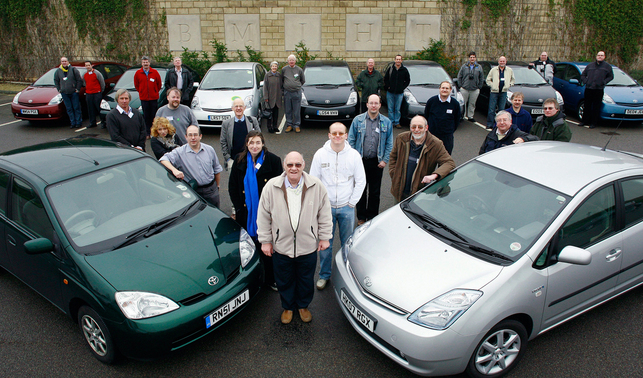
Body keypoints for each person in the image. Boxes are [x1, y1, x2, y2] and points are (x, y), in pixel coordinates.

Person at [257, 151, 332, 324]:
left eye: (297, 165)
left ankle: (303, 306)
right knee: (284, 279)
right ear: (284, 165)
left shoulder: (316, 185)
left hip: (308, 245)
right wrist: (266, 241)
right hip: (281, 246)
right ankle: (288, 307)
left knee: (306, 279)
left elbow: (325, 213)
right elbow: (263, 215)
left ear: (303, 165)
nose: (294, 168)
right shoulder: (271, 187)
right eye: (290, 164)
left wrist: (325, 237)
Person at [310, 122, 366, 291]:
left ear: (346, 135)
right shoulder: (320, 155)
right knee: (325, 244)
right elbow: (314, 180)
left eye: (341, 133)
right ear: (329, 135)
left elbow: (361, 181)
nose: (337, 136)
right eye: (334, 133)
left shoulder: (354, 155)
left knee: (347, 243)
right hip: (326, 209)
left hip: (346, 208)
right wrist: (320, 205)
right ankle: (324, 275)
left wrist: (352, 202)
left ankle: (346, 275)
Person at [229, 131, 283, 291]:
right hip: (246, 214)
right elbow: (233, 187)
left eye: (258, 142)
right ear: (247, 144)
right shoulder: (239, 161)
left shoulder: (273, 161)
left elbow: (279, 188)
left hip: (266, 214)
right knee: (249, 246)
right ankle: (252, 278)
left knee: (267, 247)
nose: (254, 146)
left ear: (263, 144)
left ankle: (271, 278)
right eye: (251, 142)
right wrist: (238, 207)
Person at [348, 94, 394, 225]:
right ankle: (361, 217)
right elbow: (351, 140)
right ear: (367, 104)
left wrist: (385, 160)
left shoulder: (386, 122)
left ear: (380, 105)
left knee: (375, 192)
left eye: (376, 103)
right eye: (371, 103)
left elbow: (389, 143)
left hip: (377, 162)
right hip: (360, 161)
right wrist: (353, 159)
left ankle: (372, 217)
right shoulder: (358, 120)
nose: (373, 105)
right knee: (360, 190)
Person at [389, 115, 455, 202]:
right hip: (399, 191)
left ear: (426, 128)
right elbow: (393, 157)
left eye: (420, 127)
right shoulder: (401, 138)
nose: (416, 130)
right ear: (410, 127)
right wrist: (394, 174)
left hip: (419, 194)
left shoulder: (435, 144)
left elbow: (449, 163)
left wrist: (434, 176)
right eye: (413, 127)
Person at [160, 125, 223, 207]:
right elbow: (163, 159)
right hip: (194, 192)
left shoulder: (209, 149)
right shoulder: (180, 152)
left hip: (211, 190)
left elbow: (217, 170)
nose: (193, 138)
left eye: (195, 135)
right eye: (190, 135)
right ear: (186, 137)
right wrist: (174, 170)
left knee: (215, 214)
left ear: (200, 136)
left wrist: (217, 186)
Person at [221, 98, 261, 170]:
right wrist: (228, 159)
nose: (238, 108)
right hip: (233, 161)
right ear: (232, 108)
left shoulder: (253, 121)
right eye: (236, 106)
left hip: (250, 160)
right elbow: (223, 142)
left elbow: (260, 139)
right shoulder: (226, 124)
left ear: (244, 108)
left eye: (241, 106)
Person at [424, 81, 461, 155]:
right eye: (443, 88)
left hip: (447, 138)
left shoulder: (455, 104)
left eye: (447, 88)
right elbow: (426, 116)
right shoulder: (432, 101)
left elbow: (457, 120)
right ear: (439, 89)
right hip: (432, 136)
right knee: (430, 159)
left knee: (444, 160)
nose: (444, 90)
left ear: (450, 90)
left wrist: (449, 131)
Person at [580, 51, 614, 129]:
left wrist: (604, 82)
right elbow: (583, 75)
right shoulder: (590, 66)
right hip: (589, 88)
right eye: (598, 55)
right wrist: (586, 81)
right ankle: (584, 121)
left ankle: (594, 123)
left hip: (599, 89)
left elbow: (611, 77)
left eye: (602, 55)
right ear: (596, 56)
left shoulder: (607, 67)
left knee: (596, 107)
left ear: (604, 57)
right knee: (587, 105)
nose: (600, 56)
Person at [133, 56, 162, 136]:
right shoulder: (138, 73)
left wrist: (155, 91)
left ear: (149, 63)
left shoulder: (155, 72)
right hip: (144, 98)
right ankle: (147, 132)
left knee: (154, 116)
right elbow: (136, 85)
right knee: (146, 116)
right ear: (142, 63)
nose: (145, 64)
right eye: (144, 62)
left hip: (153, 98)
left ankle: (155, 132)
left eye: (147, 62)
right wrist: (142, 92)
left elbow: (158, 84)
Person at [53, 57, 83, 129]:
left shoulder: (73, 70)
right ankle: (72, 123)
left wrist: (77, 89)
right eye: (62, 61)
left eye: (65, 61)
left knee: (76, 108)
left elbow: (79, 80)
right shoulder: (58, 71)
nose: (64, 62)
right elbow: (56, 81)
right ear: (61, 62)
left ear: (68, 62)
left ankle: (78, 122)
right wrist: (59, 89)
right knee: (69, 109)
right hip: (64, 93)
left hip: (73, 93)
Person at [486, 56, 514, 129]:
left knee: (501, 110)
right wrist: (493, 86)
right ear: (498, 62)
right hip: (494, 92)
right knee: (491, 109)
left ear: (505, 62)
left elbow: (513, 80)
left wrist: (509, 85)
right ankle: (489, 124)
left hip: (503, 92)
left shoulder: (509, 70)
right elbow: (488, 80)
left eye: (503, 61)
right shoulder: (493, 70)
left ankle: (499, 125)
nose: (502, 62)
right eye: (501, 61)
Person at [384, 55, 410, 128]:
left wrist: (402, 87)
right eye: (397, 59)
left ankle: (397, 122)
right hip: (390, 92)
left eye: (399, 59)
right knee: (390, 109)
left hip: (399, 93)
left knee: (397, 109)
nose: (398, 61)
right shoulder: (391, 69)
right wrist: (388, 86)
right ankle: (391, 122)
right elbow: (385, 78)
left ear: (401, 60)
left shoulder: (404, 70)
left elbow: (407, 80)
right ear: (395, 60)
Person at [456, 52, 484, 122]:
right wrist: (460, 85)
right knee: (463, 103)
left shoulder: (479, 67)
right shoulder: (464, 66)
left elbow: (481, 77)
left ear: (475, 58)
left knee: (472, 104)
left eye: (473, 57)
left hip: (474, 89)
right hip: (464, 88)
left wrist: (479, 86)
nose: (472, 58)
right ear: (469, 58)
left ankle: (470, 116)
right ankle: (463, 116)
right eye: (471, 57)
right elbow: (459, 76)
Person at [281, 55, 305, 133]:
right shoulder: (284, 69)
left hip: (297, 92)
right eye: (290, 60)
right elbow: (282, 80)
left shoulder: (299, 70)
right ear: (288, 61)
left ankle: (297, 125)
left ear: (295, 61)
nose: (291, 61)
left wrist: (296, 86)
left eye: (293, 60)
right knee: (288, 109)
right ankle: (289, 125)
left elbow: (302, 80)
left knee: (296, 110)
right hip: (287, 92)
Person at [83, 61, 105, 129]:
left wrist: (100, 91)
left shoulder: (97, 73)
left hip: (97, 93)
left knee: (99, 108)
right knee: (90, 109)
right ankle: (92, 122)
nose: (88, 67)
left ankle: (103, 122)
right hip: (89, 93)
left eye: (89, 65)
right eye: (86, 65)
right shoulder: (85, 74)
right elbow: (84, 83)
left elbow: (102, 83)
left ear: (91, 65)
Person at [263, 61, 283, 133]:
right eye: (273, 66)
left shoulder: (279, 75)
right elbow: (265, 87)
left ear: (277, 67)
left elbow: (281, 86)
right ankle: (269, 127)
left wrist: (281, 94)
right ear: (270, 67)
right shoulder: (267, 75)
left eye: (275, 66)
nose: (274, 67)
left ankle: (275, 126)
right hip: (270, 98)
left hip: (277, 98)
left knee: (276, 114)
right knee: (269, 114)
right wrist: (266, 97)